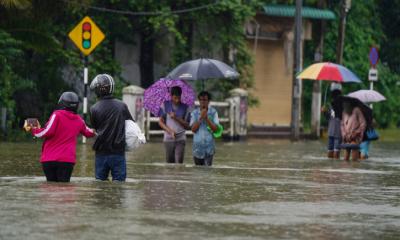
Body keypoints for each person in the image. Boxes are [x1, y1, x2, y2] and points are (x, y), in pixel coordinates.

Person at [25, 92, 95, 182]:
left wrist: (33, 129)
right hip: (67, 162)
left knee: (51, 191)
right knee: (64, 191)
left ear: (61, 102)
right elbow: (89, 132)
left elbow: (46, 132)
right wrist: (96, 131)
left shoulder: (57, 115)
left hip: (50, 160)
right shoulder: (79, 120)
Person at [89, 74, 133, 181]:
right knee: (119, 185)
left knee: (100, 185)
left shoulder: (94, 108)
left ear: (98, 90)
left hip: (101, 153)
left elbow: (94, 129)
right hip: (118, 153)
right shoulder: (122, 106)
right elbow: (131, 125)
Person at [158, 86, 190, 164]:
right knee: (169, 164)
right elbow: (160, 122)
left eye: (179, 98)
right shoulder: (165, 105)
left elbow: (187, 126)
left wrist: (176, 118)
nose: (177, 100)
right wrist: (170, 131)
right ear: (171, 96)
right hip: (168, 139)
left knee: (179, 163)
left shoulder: (185, 107)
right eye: (175, 98)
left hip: (181, 139)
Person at [190, 91, 219, 166]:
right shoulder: (194, 113)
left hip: (209, 148)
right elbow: (193, 129)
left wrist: (206, 118)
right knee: (198, 172)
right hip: (197, 148)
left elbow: (215, 129)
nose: (203, 102)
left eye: (205, 100)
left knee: (207, 172)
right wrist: (200, 118)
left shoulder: (213, 112)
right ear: (199, 101)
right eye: (201, 100)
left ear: (208, 101)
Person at [322, 87, 343, 159]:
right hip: (331, 132)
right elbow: (328, 118)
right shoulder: (331, 106)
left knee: (336, 152)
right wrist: (324, 112)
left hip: (338, 133)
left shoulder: (343, 107)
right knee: (330, 152)